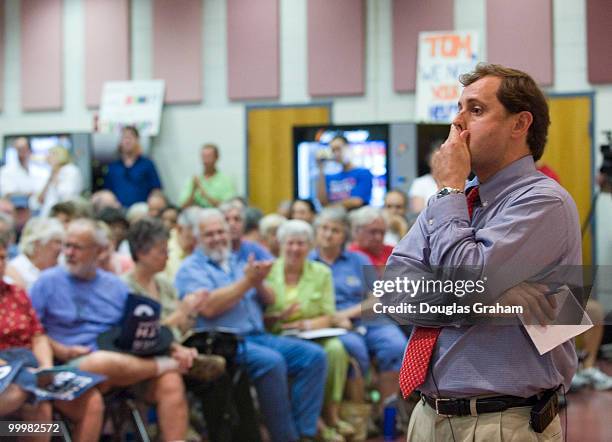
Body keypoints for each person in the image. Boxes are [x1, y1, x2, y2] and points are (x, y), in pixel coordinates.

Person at [387, 63, 581, 440]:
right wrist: (495, 299)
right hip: (428, 417)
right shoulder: (452, 202)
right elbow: (393, 293)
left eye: (475, 110)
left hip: (504, 421)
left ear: (519, 124)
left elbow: (465, 280)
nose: (458, 124)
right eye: (458, 109)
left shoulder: (544, 201)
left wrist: (448, 192)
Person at [175, 208, 327, 442]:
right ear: (197, 239)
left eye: (220, 232)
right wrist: (248, 281)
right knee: (271, 363)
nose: (217, 238)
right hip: (223, 343)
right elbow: (209, 307)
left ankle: (304, 432)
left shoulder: (238, 260)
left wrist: (257, 282)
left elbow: (271, 299)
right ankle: (286, 438)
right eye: (209, 234)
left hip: (259, 334)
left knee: (315, 357)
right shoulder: (191, 268)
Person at [30, 218, 189, 441]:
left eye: (77, 247)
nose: (69, 253)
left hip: (120, 366)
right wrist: (62, 350)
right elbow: (33, 332)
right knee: (98, 366)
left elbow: (139, 328)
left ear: (100, 251)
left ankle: (165, 369)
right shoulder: (46, 282)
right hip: (70, 366)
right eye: (67, 245)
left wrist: (172, 347)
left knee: (170, 381)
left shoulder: (115, 286)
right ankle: (161, 365)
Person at [0, 236, 105, 441]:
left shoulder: (17, 293)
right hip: (6, 371)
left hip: (29, 364)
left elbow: (38, 336)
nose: (0, 263)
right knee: (35, 401)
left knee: (91, 401)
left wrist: (45, 368)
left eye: (3, 258)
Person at [265, 220, 353, 442]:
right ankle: (316, 424)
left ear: (310, 246)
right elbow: (260, 318)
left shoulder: (321, 272)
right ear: (281, 244)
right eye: (290, 243)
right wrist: (278, 318)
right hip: (277, 334)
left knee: (335, 349)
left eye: (301, 244)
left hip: (313, 333)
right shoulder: (268, 272)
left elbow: (329, 314)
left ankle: (331, 414)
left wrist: (305, 325)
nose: (295, 249)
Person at [311, 208, 407, 411]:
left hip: (363, 317)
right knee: (355, 348)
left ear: (344, 235)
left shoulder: (358, 260)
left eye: (335, 230)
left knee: (396, 345)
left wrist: (345, 315)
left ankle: (387, 412)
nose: (328, 234)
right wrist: (334, 319)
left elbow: (377, 298)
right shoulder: (308, 262)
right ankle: (362, 412)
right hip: (329, 323)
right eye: (324, 229)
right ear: (316, 232)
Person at [124, 217, 225, 378]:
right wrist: (180, 314)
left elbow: (182, 329)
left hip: (177, 347)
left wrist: (192, 311)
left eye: (168, 251)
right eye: (162, 251)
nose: (167, 257)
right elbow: (141, 336)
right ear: (141, 254)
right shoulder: (126, 289)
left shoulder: (164, 285)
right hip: (149, 355)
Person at [103, 126, 162, 207]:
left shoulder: (147, 164)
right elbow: (107, 191)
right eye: (124, 138)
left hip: (142, 210)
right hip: (118, 210)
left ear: (137, 140)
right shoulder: (113, 167)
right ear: (120, 142)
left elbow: (156, 190)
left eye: (131, 137)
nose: (127, 141)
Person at [5, 217, 64, 291]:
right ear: (38, 245)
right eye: (57, 242)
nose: (62, 248)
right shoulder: (16, 270)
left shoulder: (62, 267)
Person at [316, 136, 373, 209]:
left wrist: (330, 207)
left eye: (338, 149)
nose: (336, 154)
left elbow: (357, 202)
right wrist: (321, 169)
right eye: (333, 150)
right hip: (333, 216)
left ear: (349, 148)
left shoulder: (363, 173)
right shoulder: (330, 177)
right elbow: (322, 202)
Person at [180, 143, 236, 208]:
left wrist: (203, 193)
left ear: (217, 157)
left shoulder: (226, 179)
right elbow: (182, 207)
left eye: (209, 157)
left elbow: (228, 206)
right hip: (197, 214)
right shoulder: (194, 180)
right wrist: (193, 191)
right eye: (203, 157)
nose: (205, 161)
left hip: (219, 214)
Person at [0, 137, 46, 209]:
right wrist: (30, 194)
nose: (21, 153)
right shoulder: (6, 171)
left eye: (23, 149)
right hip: (14, 212)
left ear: (30, 150)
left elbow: (42, 195)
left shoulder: (39, 171)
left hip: (37, 211)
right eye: (18, 149)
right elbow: (8, 194)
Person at [37, 146, 83, 216]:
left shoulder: (71, 170)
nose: (47, 158)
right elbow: (40, 199)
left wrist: (56, 179)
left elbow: (67, 195)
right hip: (48, 213)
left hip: (65, 213)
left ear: (60, 156)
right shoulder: (52, 172)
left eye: (51, 155)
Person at [348, 206, 394, 270]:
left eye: (382, 232)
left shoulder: (393, 252)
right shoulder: (351, 256)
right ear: (357, 231)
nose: (378, 237)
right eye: (373, 232)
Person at [164, 206, 203, 281]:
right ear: (179, 228)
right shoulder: (164, 250)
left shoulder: (204, 248)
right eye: (193, 238)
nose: (198, 242)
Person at [407, 143, 441, 214]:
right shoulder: (419, 183)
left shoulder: (463, 182)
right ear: (429, 160)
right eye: (436, 158)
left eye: (444, 158)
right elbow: (417, 212)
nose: (440, 162)